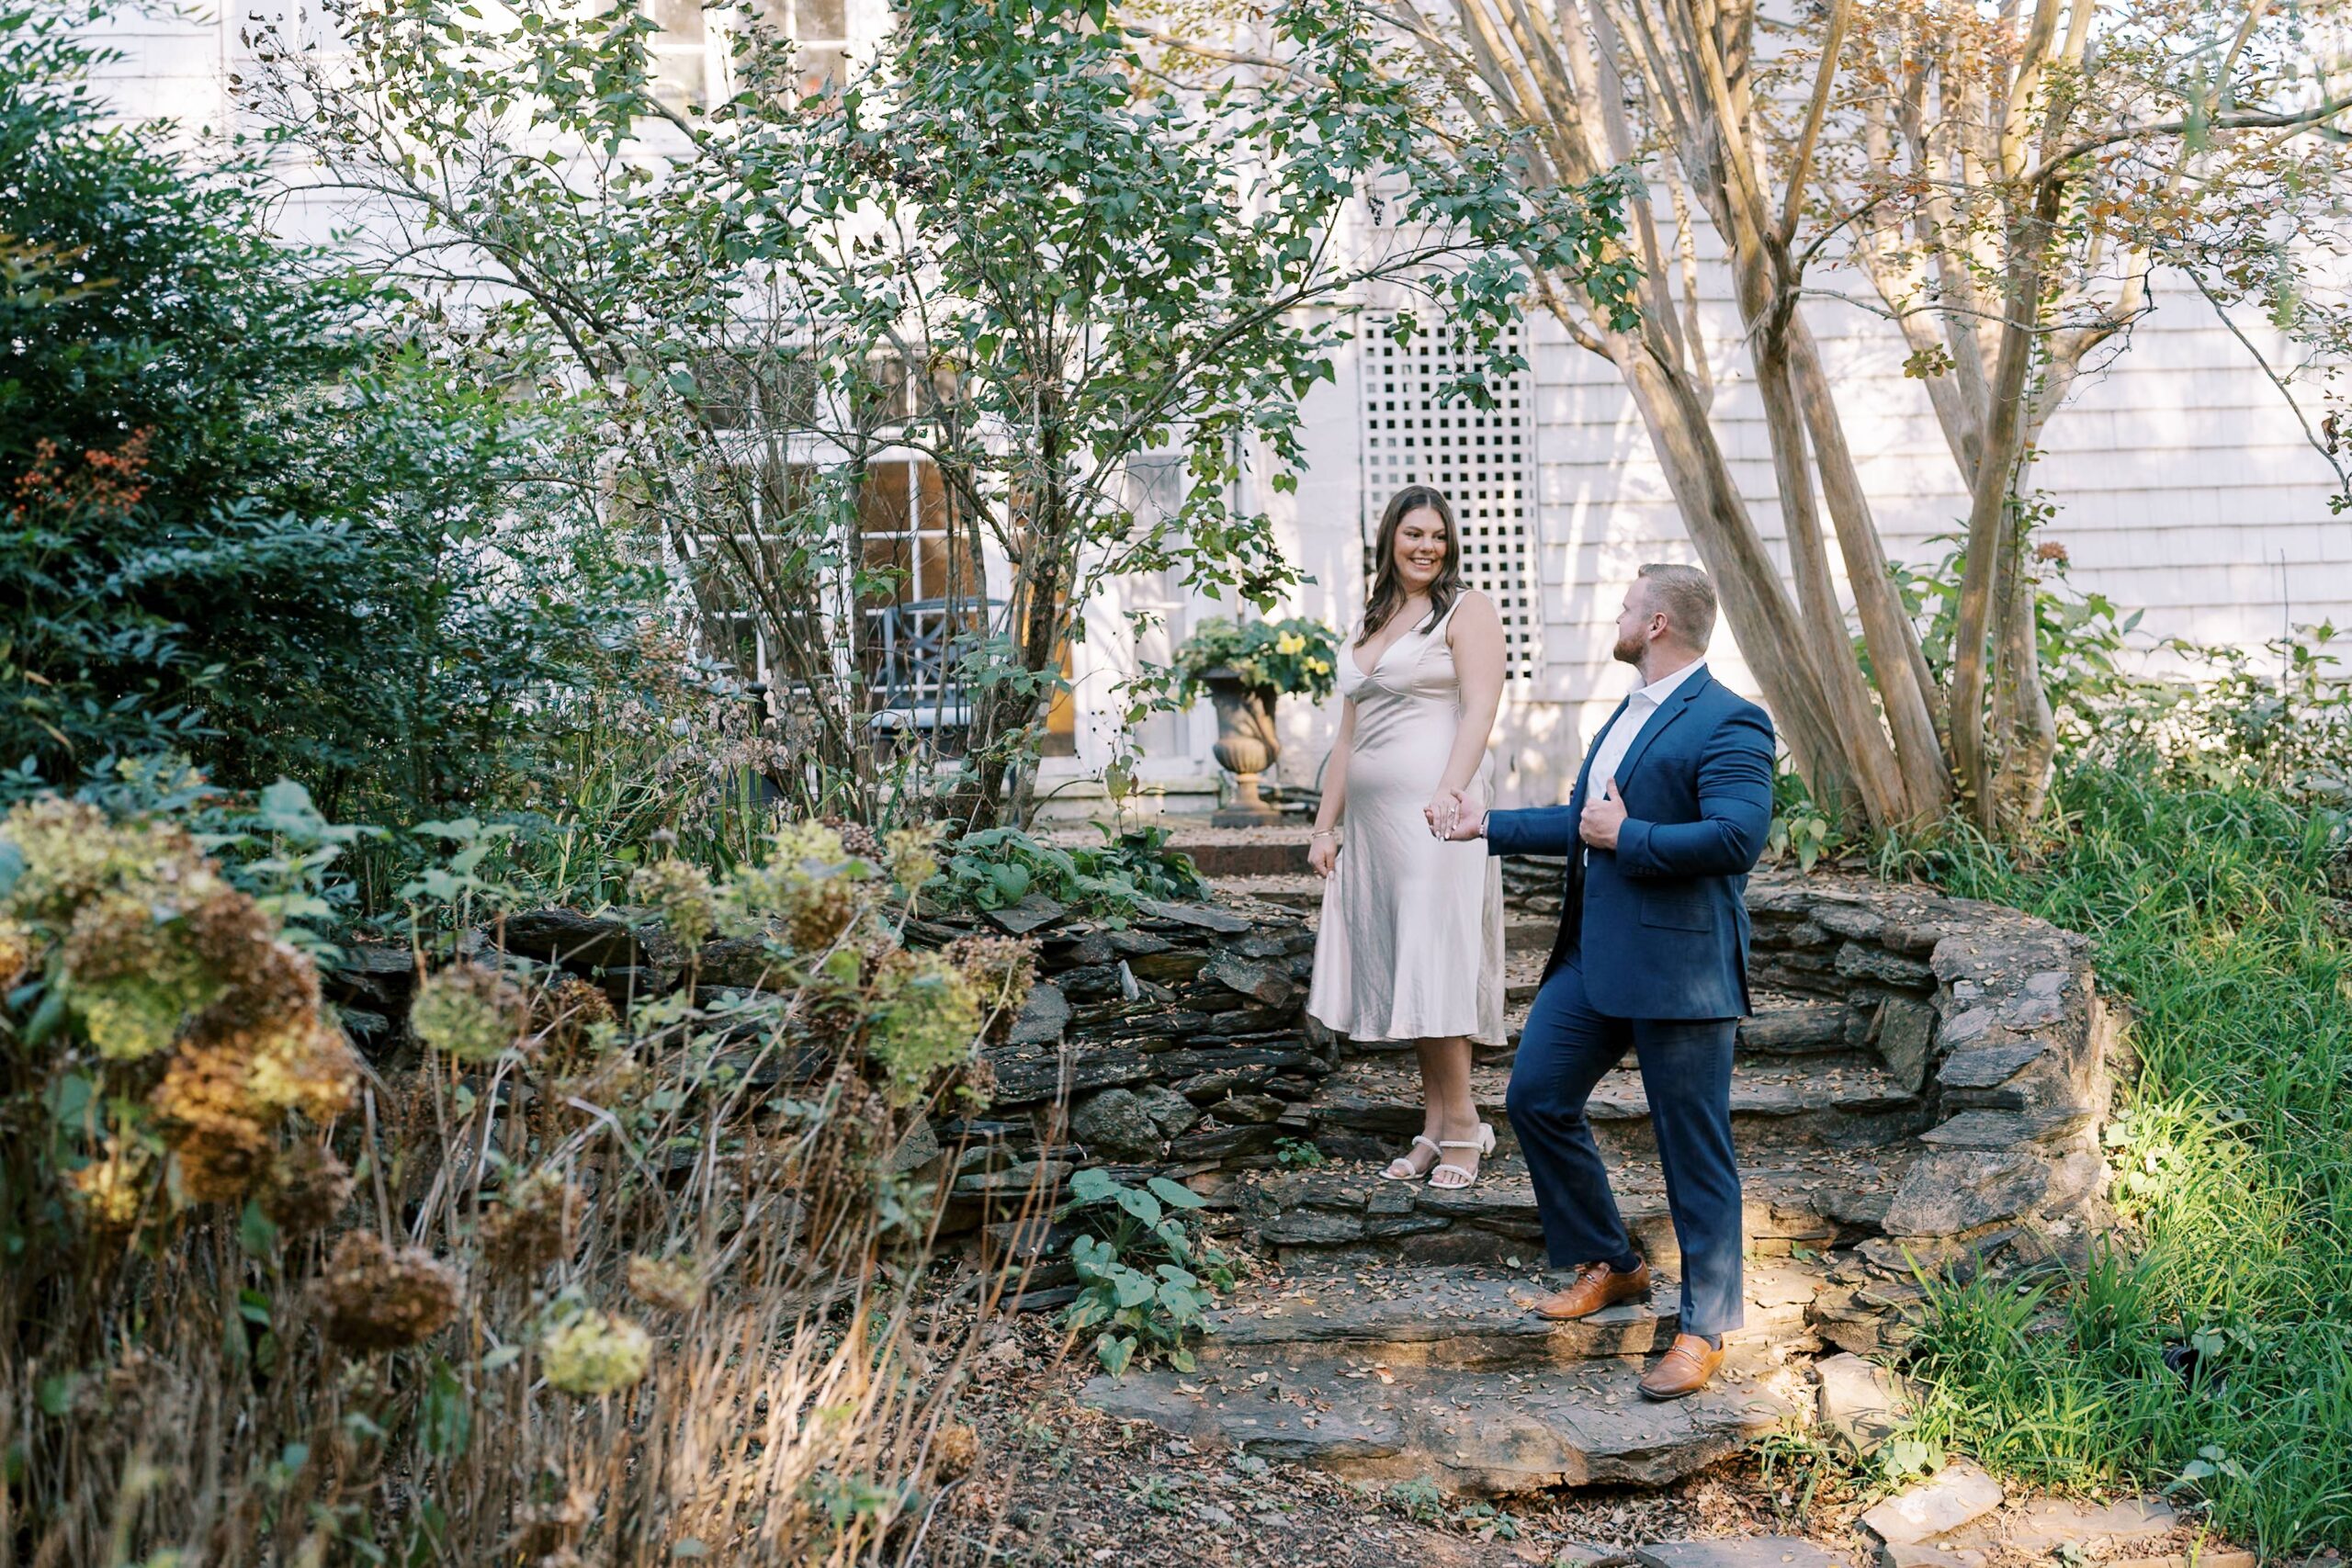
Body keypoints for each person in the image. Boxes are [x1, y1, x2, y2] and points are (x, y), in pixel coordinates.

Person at [1430, 562, 1773, 1400]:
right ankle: (1613, 1262)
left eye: (1625, 606)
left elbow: (1738, 837)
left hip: (1683, 967)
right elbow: (1587, 823)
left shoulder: (1733, 720)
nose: (1616, 617)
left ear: (1657, 623)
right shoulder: (1623, 713)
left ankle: (1701, 1328)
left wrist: (1634, 835)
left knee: (1694, 1150)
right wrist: (1490, 825)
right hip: (1593, 959)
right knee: (1535, 1096)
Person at [1304, 485, 1507, 1190]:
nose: (1427, 547)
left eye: (1439, 536)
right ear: (1389, 538)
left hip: (1437, 817)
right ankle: (1434, 1122)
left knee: (1436, 962)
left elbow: (1481, 706)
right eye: (1414, 534)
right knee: (1408, 966)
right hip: (1375, 827)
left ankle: (1464, 1127)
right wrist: (1326, 824)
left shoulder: (1466, 609)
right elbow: (1347, 736)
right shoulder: (1373, 618)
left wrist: (1450, 790)